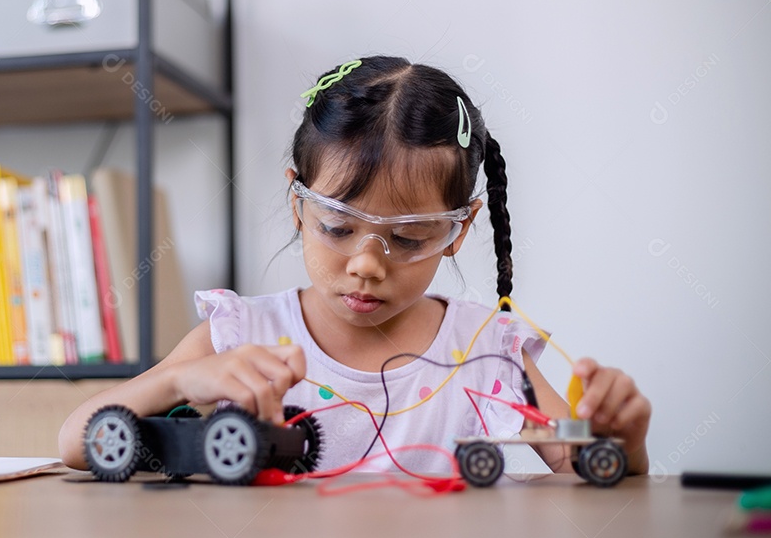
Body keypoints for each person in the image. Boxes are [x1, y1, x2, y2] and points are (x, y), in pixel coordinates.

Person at [58, 56, 651, 476]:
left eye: (409, 236)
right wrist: (180, 381)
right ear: (299, 203)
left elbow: (578, 456)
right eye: (339, 228)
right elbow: (76, 442)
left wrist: (621, 440)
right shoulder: (241, 336)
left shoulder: (486, 351)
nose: (367, 264)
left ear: (455, 232)